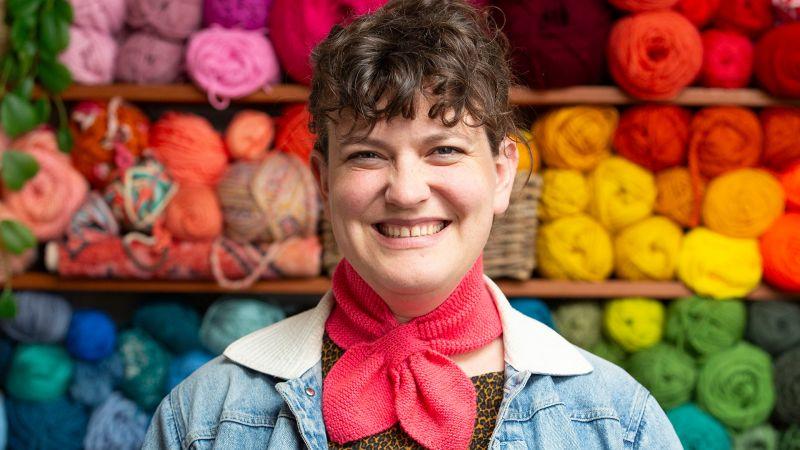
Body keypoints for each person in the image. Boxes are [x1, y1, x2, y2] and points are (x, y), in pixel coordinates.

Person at [143, 0, 682, 448]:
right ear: (324, 180)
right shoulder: (204, 418)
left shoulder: (618, 423)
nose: (405, 191)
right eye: (368, 155)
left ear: (500, 175)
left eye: (444, 149)